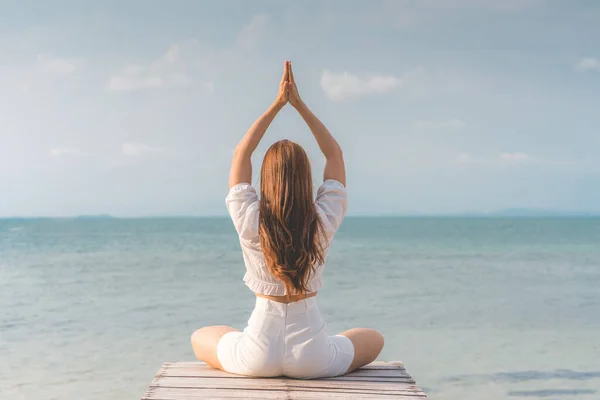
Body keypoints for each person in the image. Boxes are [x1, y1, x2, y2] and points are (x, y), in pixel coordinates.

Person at [191, 61, 384, 379]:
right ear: (305, 179)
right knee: (373, 338)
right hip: (313, 357)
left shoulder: (250, 218)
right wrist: (299, 105)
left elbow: (242, 153)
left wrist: (278, 103)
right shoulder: (322, 220)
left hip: (257, 356)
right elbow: (334, 155)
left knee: (202, 337)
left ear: (265, 180)